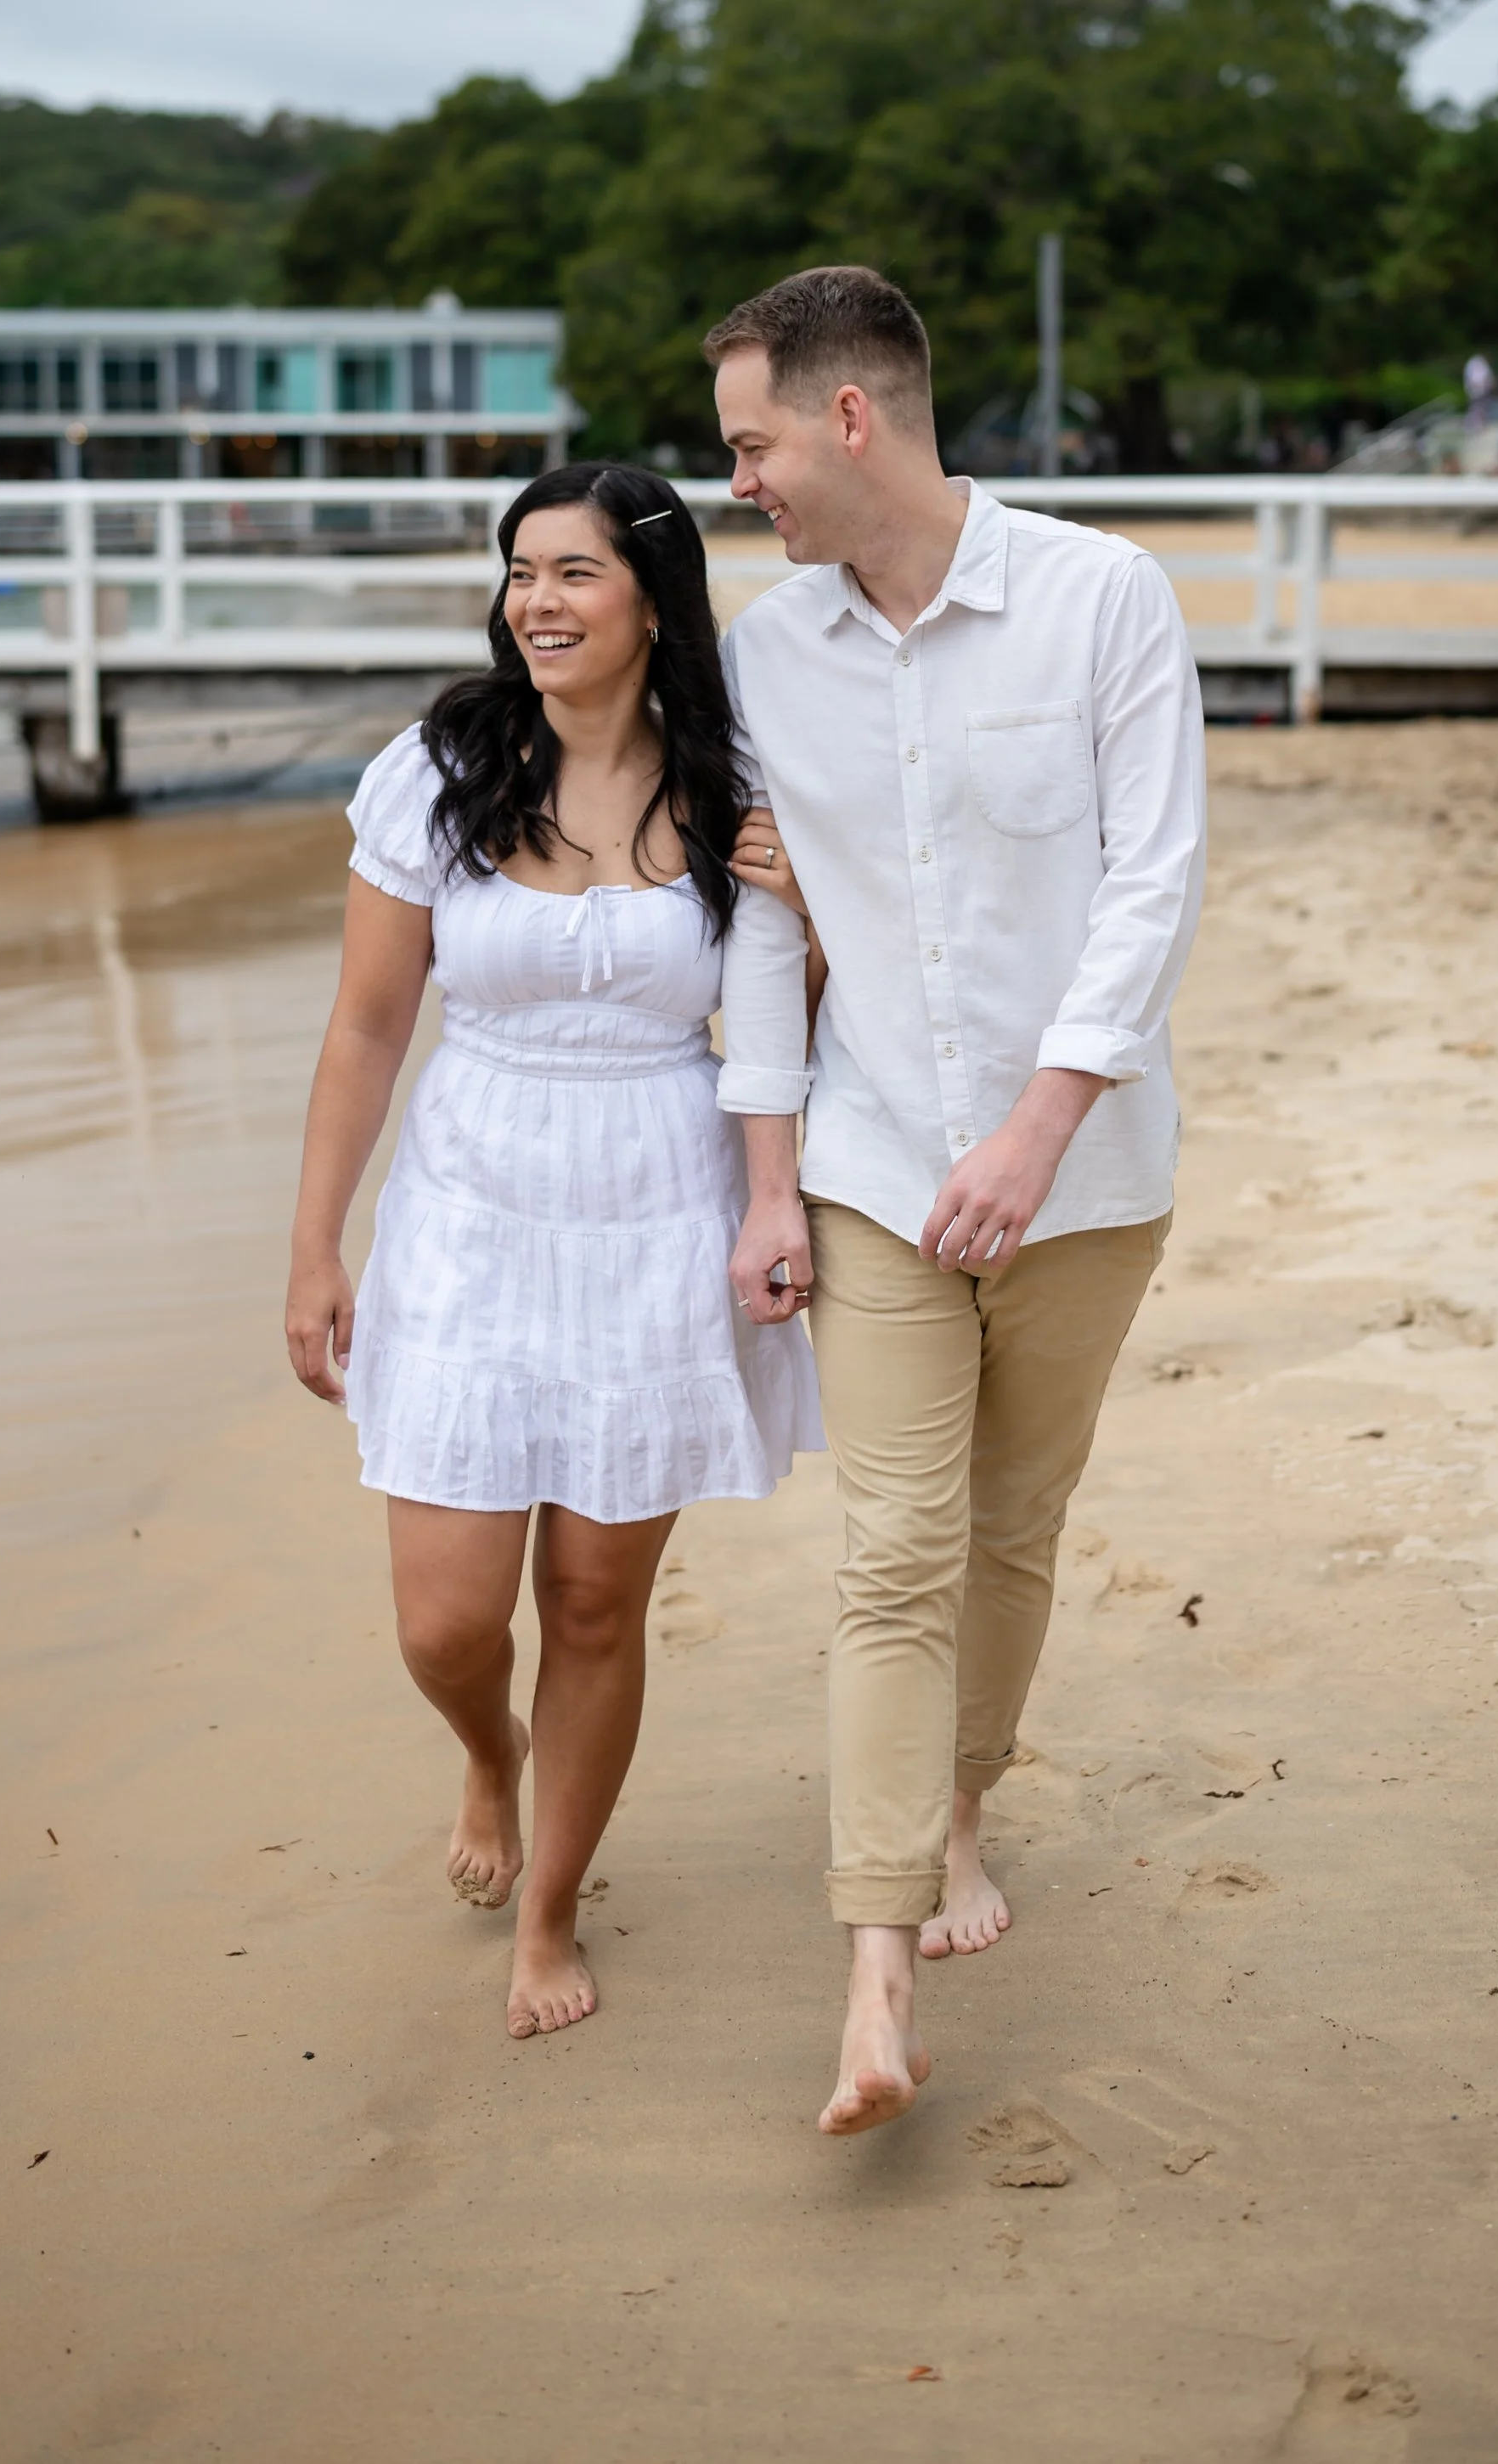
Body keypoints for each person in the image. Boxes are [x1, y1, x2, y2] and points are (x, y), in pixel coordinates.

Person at [707, 267, 1206, 2136]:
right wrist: (768, 1178)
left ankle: (963, 1800)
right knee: (892, 1549)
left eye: (749, 440)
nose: (736, 477)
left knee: (1009, 1531)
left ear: (849, 416)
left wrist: (1034, 1127)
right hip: (864, 1164)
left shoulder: (1098, 600)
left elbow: (1149, 887)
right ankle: (875, 1964)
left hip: (1082, 1180)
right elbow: (766, 922)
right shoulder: (770, 651)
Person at [283, 464, 819, 2042]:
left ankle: (552, 1906)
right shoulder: (442, 767)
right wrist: (317, 1243)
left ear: (653, 596)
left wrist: (822, 907)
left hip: (662, 1198)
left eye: (574, 571)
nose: (537, 601)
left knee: (594, 1603)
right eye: (521, 571)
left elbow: (802, 1013)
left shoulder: (732, 778)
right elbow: (369, 1025)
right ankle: (485, 1748)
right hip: (469, 1202)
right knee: (449, 1622)